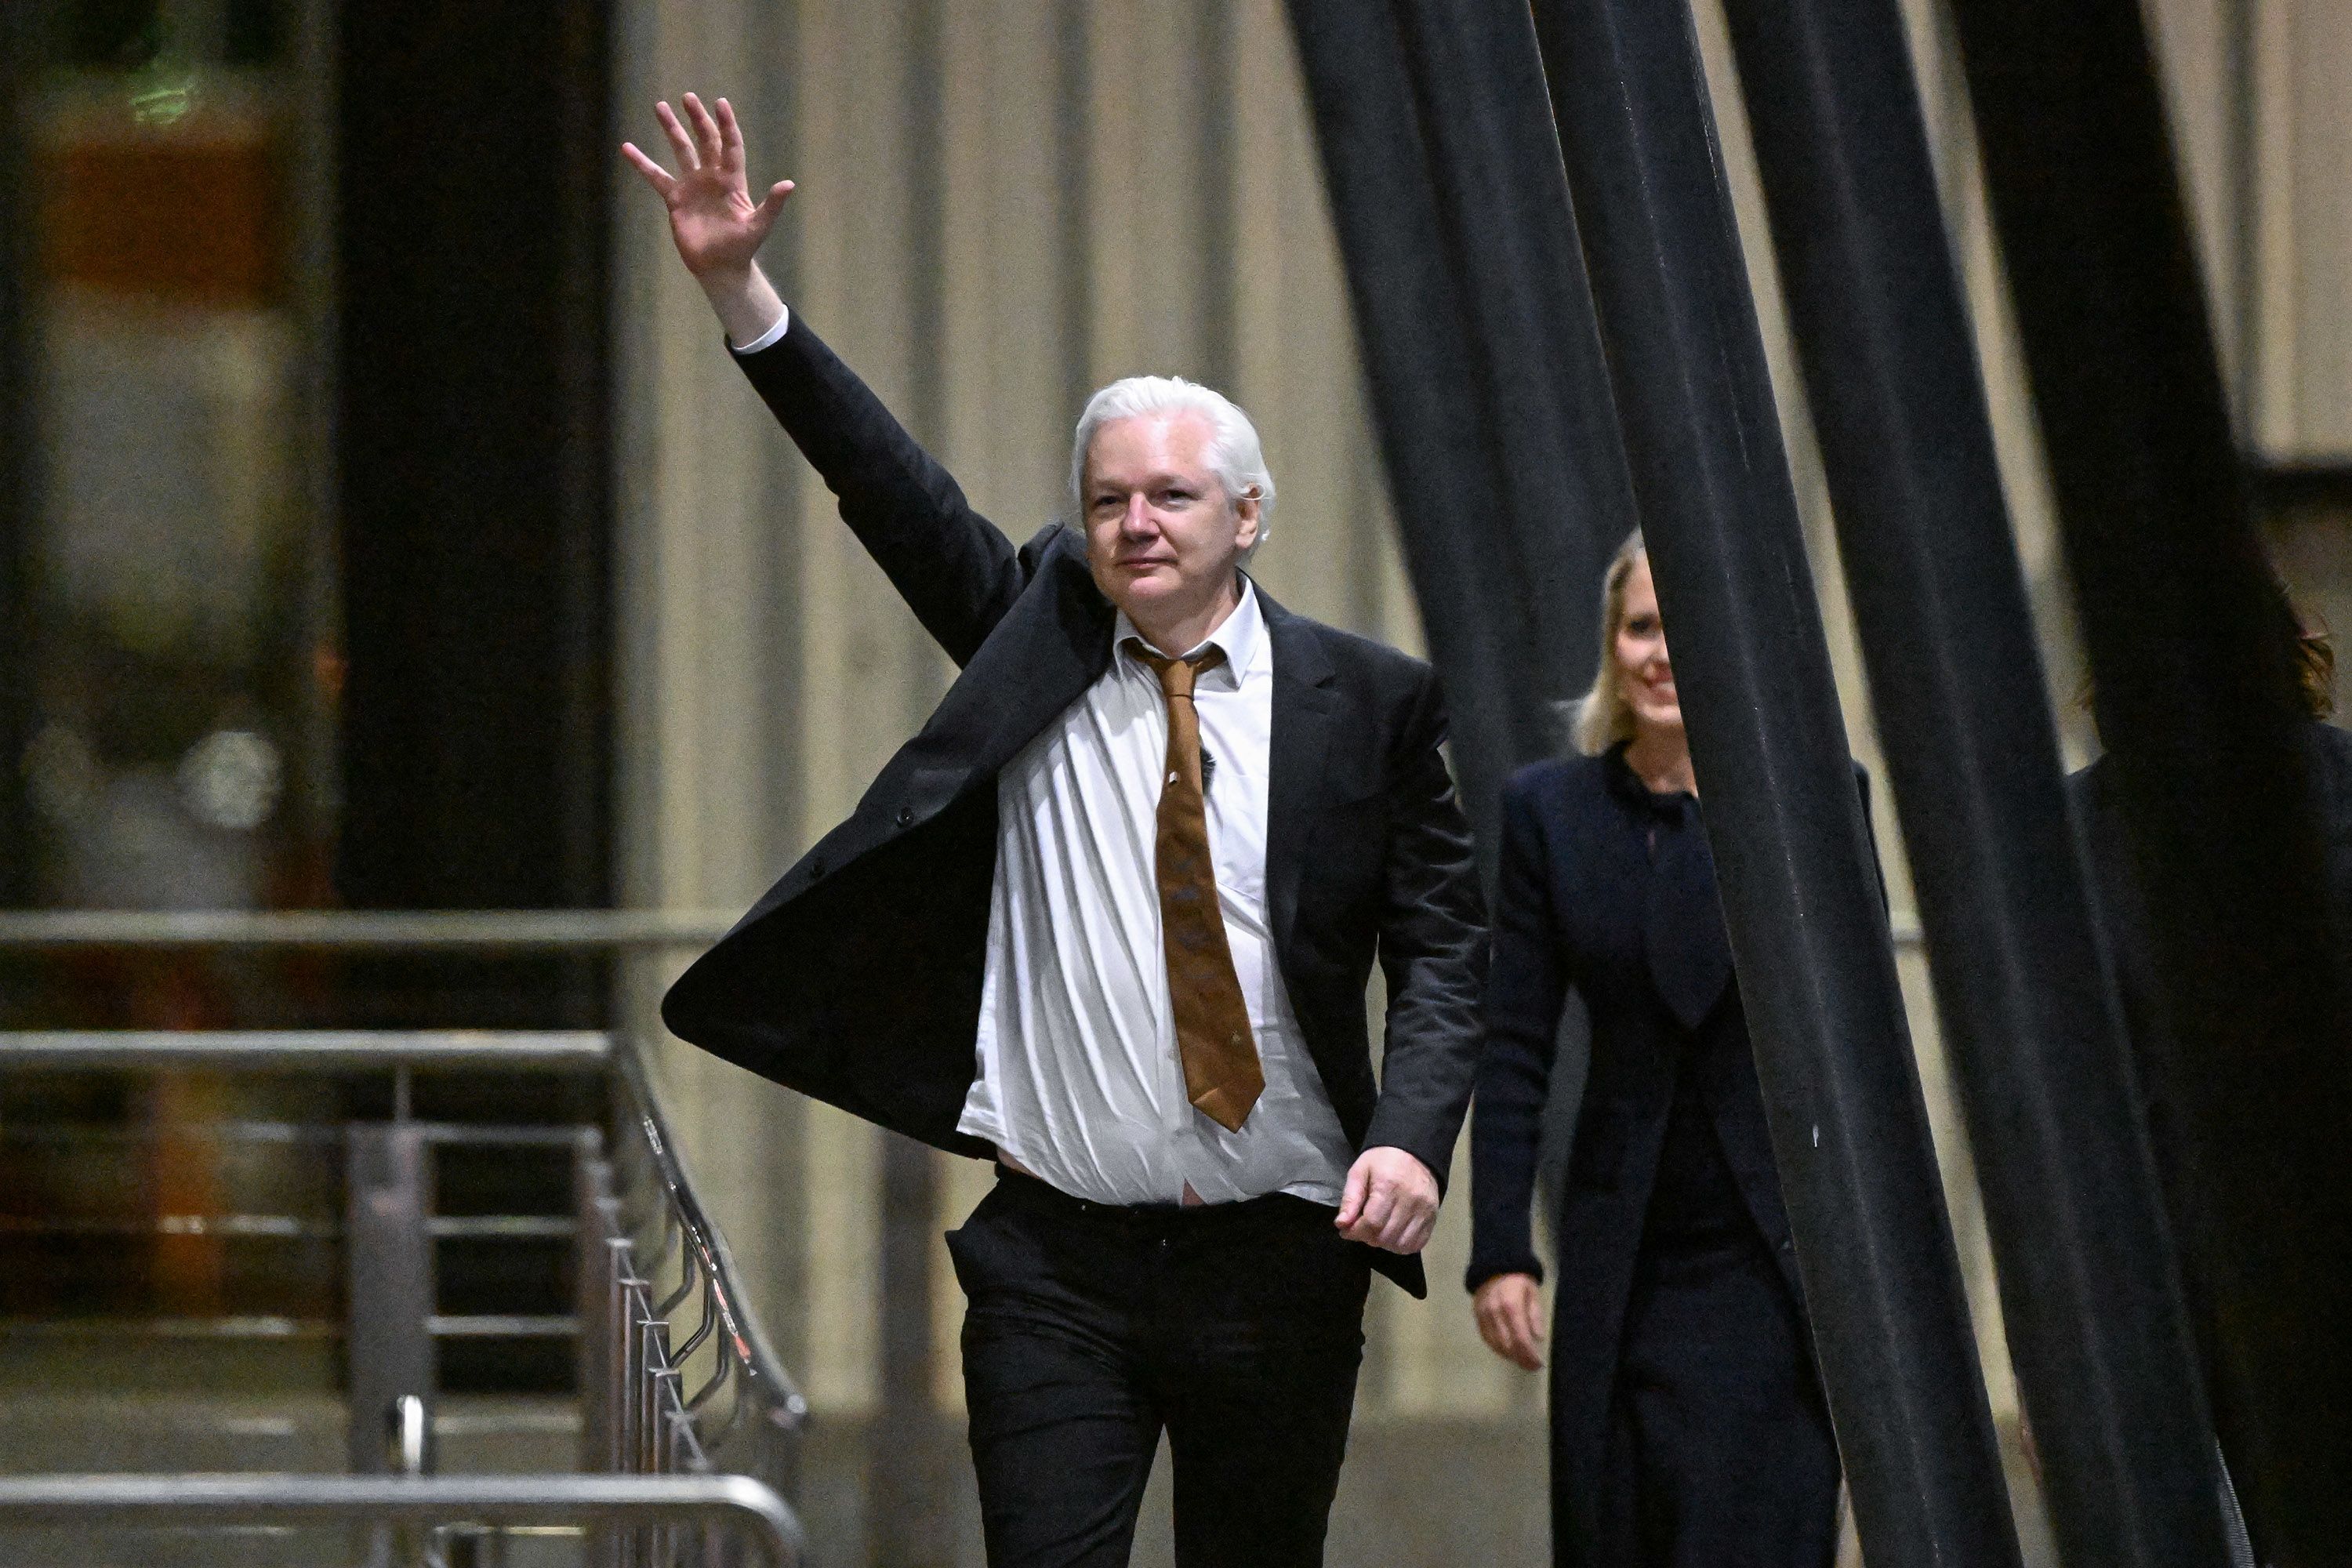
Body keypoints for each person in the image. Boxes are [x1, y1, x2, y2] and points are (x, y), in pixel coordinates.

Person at [623, 94, 1486, 1568]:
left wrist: (1411, 1141)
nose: (1137, 523)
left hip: (1280, 1249)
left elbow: (1450, 946)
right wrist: (738, 293)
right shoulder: (1036, 635)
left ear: (1251, 516)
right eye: (1107, 500)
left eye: (1172, 494)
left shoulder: (1370, 701)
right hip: (1055, 1260)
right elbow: (893, 492)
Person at [1465, 531, 1840, 1567]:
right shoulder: (1550, 810)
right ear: (1611, 647)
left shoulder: (1809, 800)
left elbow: (1850, 1043)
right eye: (1640, 628)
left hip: (1770, 1259)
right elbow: (1515, 1043)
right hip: (1624, 1251)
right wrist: (1502, 1248)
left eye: (1689, 631)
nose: (1662, 654)